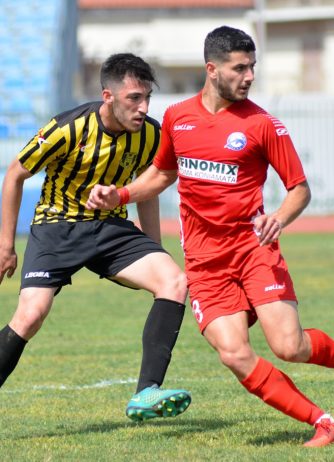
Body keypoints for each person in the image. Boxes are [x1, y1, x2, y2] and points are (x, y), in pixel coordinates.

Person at [87, 27, 334, 447]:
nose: (249, 76)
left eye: (252, 67)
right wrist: (119, 195)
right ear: (212, 70)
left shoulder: (263, 124)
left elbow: (299, 189)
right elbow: (162, 174)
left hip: (254, 251)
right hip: (204, 263)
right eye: (239, 68)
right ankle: (324, 423)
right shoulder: (177, 117)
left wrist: (279, 218)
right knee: (233, 353)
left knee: (289, 346)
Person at [0, 53, 191, 422]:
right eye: (134, 98)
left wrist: (154, 247)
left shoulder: (151, 134)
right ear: (108, 96)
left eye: (147, 98)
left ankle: (146, 393)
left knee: (174, 281)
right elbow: (15, 175)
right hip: (56, 227)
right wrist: (6, 247)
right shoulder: (68, 128)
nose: (143, 107)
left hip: (110, 228)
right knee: (30, 315)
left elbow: (146, 189)